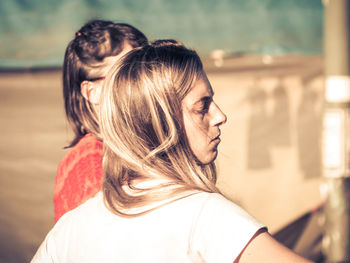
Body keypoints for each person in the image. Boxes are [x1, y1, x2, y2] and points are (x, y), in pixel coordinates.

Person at [33, 40, 313, 262]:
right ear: (158, 121)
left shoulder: (69, 230)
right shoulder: (205, 216)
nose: (220, 116)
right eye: (202, 105)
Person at [54, 20, 148, 222]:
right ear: (92, 92)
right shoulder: (91, 163)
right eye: (129, 73)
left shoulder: (125, 150)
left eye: (146, 69)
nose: (145, 81)